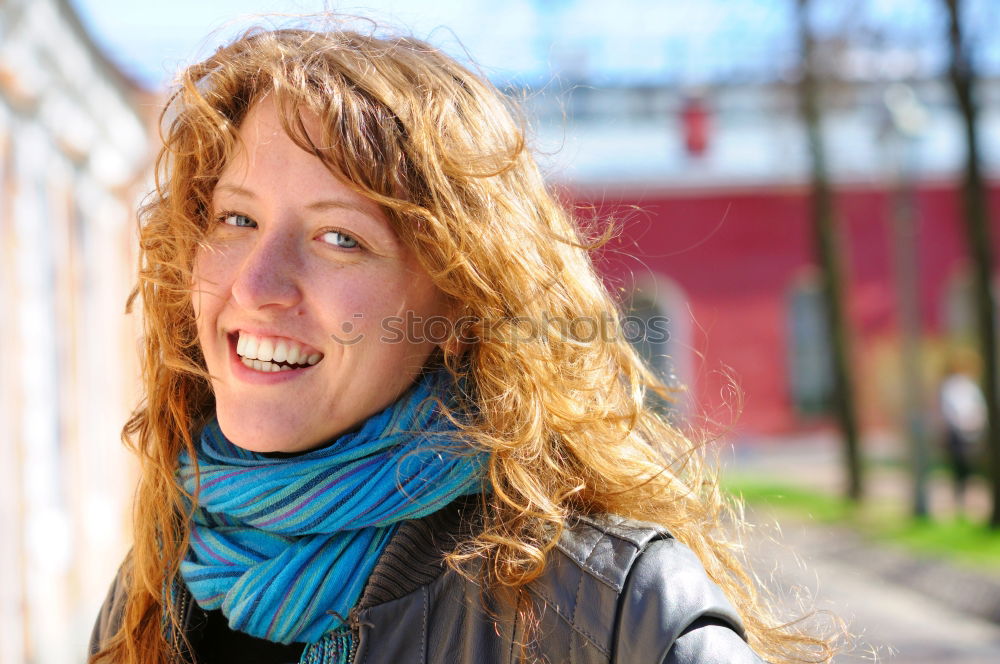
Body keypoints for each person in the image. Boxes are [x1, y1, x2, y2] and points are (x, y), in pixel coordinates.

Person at [88, 21, 835, 664]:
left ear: (460, 304)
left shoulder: (609, 616)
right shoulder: (154, 588)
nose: (257, 286)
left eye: (339, 237)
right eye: (236, 220)